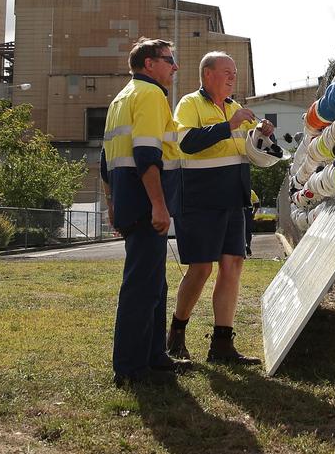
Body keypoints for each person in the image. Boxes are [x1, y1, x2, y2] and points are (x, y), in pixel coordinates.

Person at [168, 52, 271, 365]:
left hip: (233, 200)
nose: (232, 77)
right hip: (199, 201)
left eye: (235, 72)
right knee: (200, 269)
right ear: (207, 74)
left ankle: (222, 345)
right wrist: (230, 125)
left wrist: (261, 136)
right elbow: (186, 143)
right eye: (227, 71)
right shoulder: (189, 104)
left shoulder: (235, 108)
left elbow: (246, 151)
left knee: (233, 266)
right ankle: (176, 336)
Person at [101, 39, 185, 389]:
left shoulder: (122, 97)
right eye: (169, 60)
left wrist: (112, 204)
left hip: (129, 199)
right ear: (149, 64)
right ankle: (131, 368)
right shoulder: (151, 96)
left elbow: (106, 162)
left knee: (154, 283)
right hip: (147, 201)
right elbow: (146, 154)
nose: (175, 67)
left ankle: (153, 356)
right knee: (141, 286)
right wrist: (159, 204)